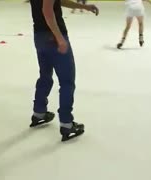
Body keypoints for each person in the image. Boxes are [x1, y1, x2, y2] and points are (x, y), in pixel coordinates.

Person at [29, 0, 98, 141]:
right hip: (52, 37)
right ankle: (67, 123)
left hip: (39, 36)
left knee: (45, 76)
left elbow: (57, 2)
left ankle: (39, 112)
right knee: (67, 82)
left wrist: (83, 6)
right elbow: (47, 10)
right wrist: (59, 38)